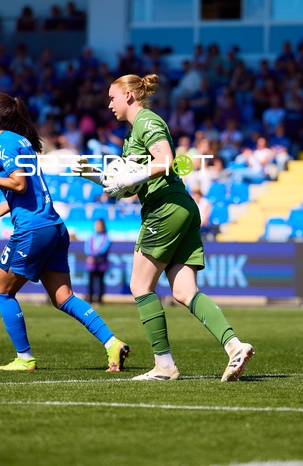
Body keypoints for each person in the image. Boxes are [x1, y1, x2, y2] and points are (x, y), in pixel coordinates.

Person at [72, 74, 254, 382]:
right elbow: (130, 187)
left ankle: (164, 365)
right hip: (180, 207)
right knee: (184, 291)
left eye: (112, 97)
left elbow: (166, 160)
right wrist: (96, 176)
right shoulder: (133, 134)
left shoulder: (146, 121)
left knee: (140, 286)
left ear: (129, 96)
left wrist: (130, 177)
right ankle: (235, 346)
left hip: (164, 208)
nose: (109, 104)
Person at [0, 92, 130, 372]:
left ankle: (24, 358)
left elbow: (19, 185)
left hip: (32, 229)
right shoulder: (21, 142)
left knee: (1, 292)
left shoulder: (3, 144)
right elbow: (27, 190)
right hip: (53, 226)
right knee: (64, 297)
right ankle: (112, 343)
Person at [84, 219, 111, 304]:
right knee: (90, 281)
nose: (98, 227)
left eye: (100, 225)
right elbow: (87, 248)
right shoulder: (91, 237)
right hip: (91, 264)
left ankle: (99, 300)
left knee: (100, 282)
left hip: (101, 263)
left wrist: (95, 257)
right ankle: (90, 298)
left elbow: (103, 249)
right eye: (97, 225)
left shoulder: (106, 237)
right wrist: (90, 256)